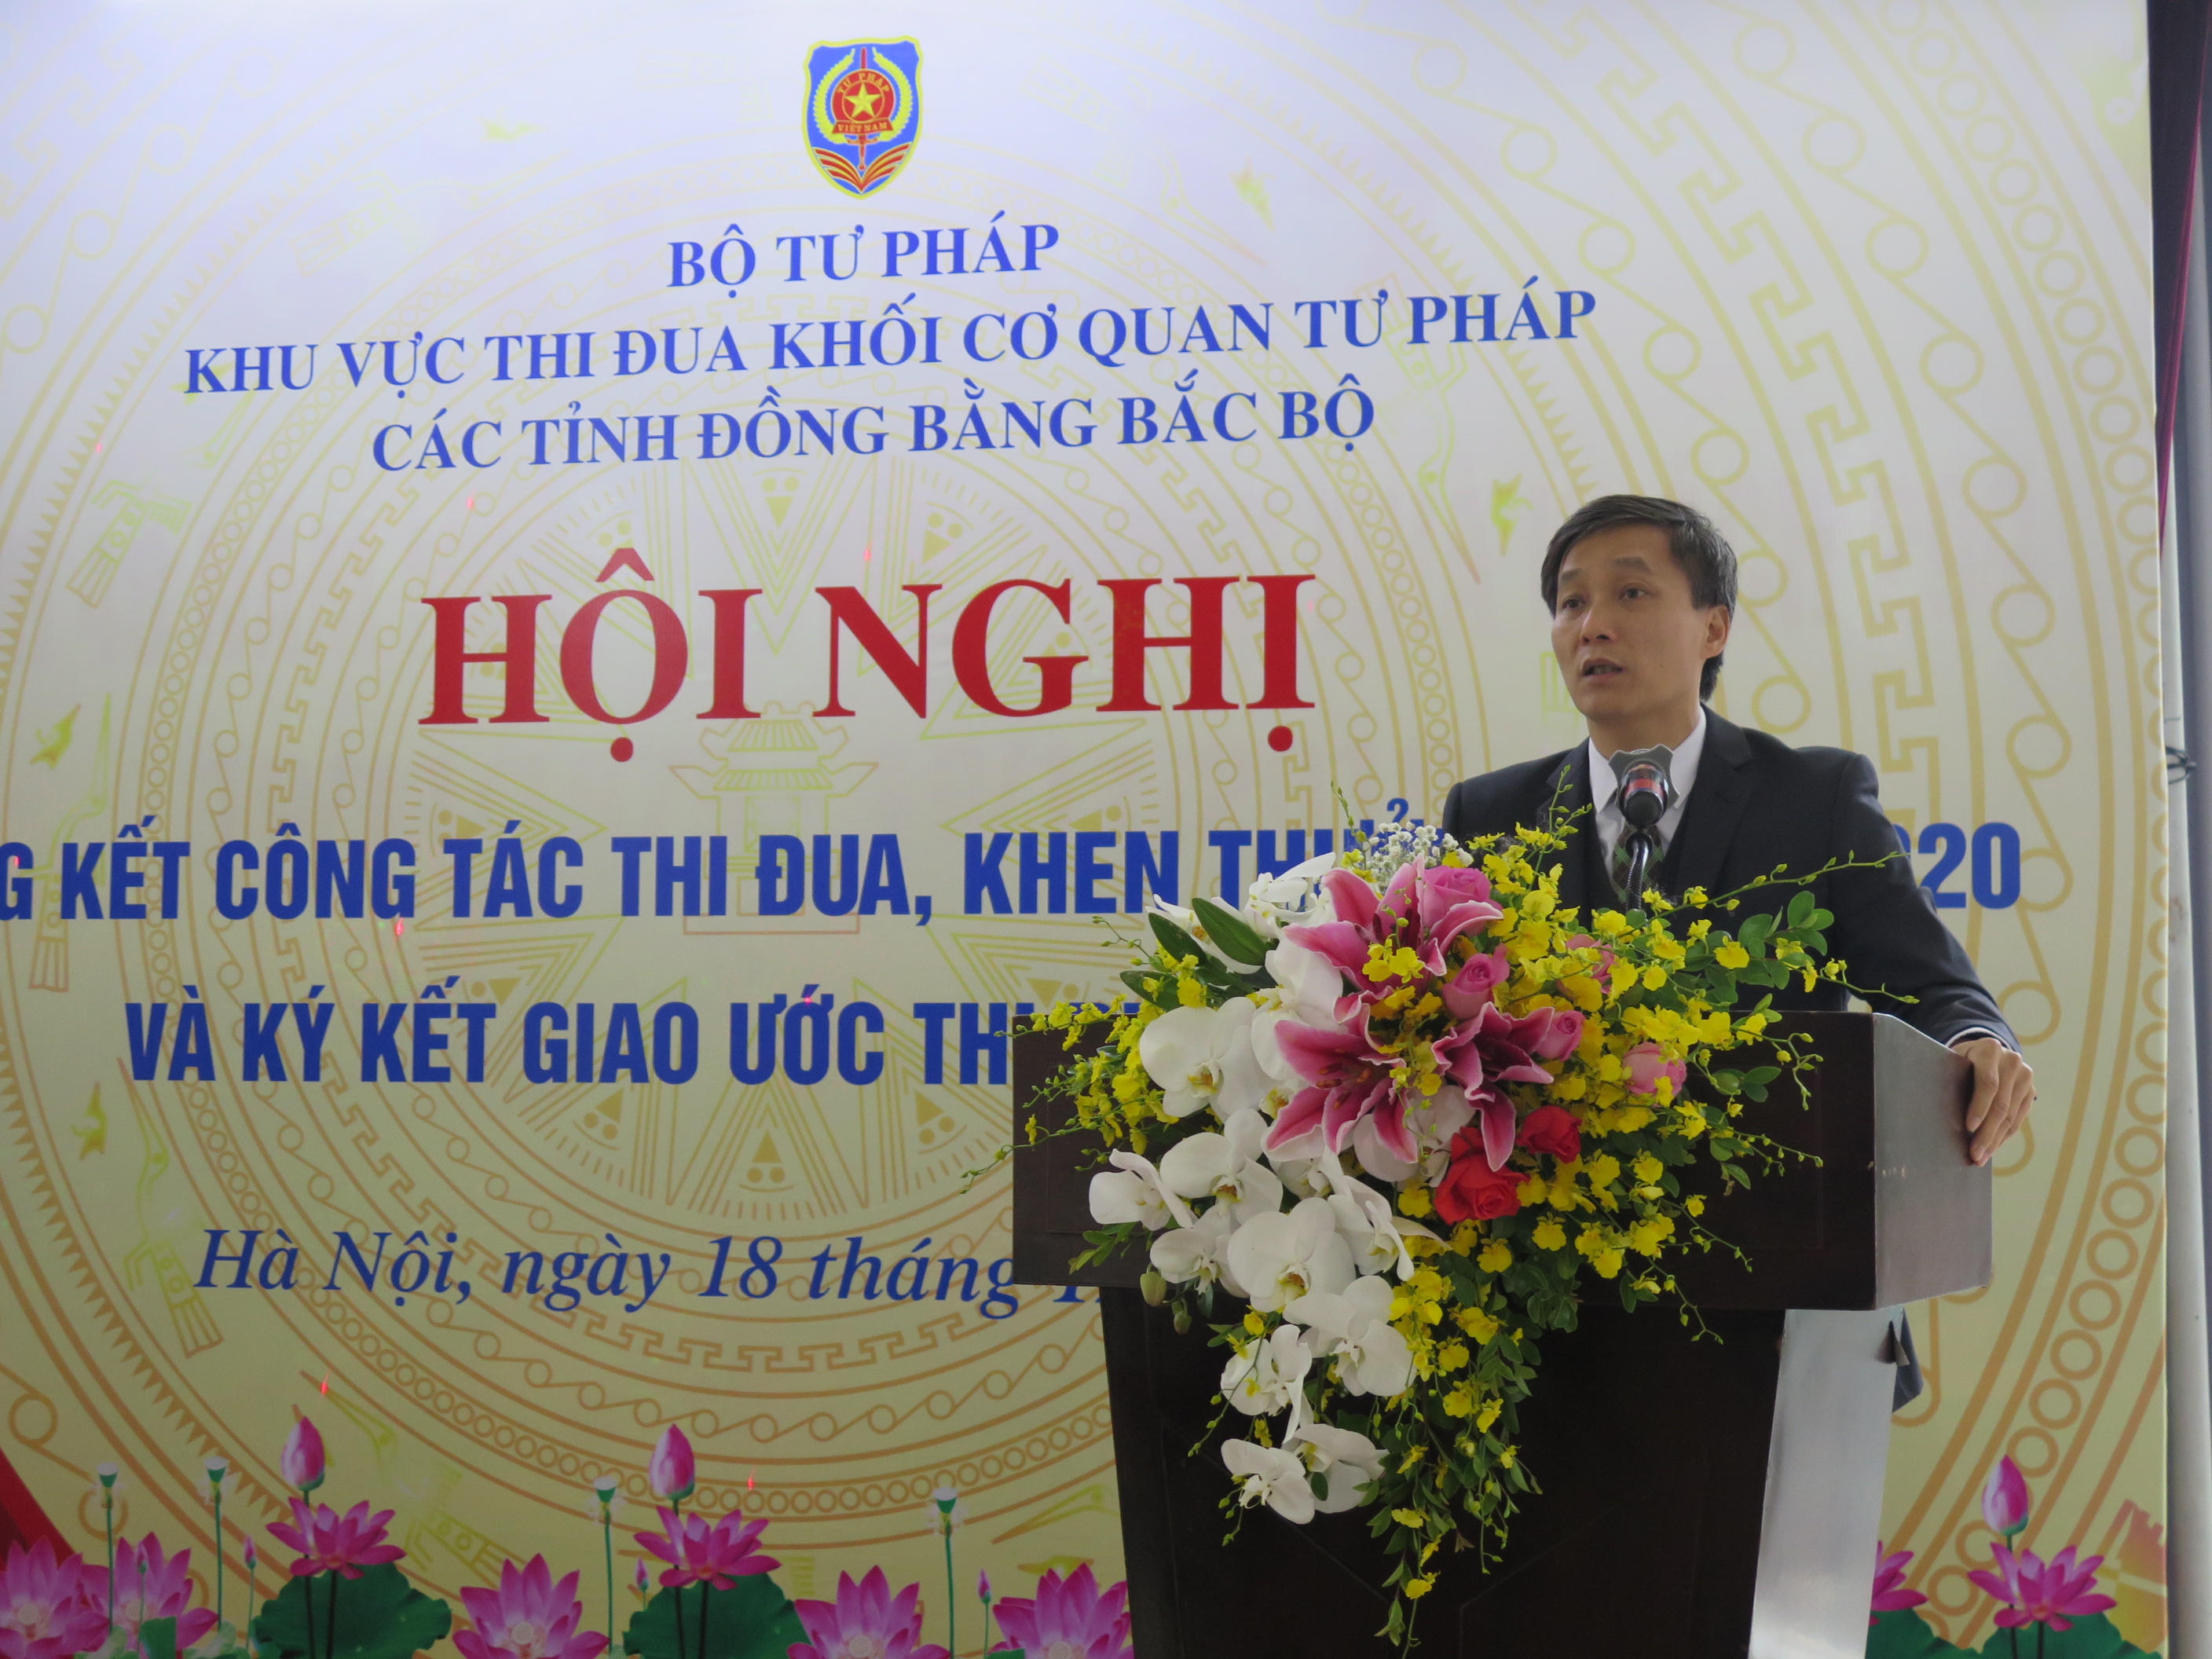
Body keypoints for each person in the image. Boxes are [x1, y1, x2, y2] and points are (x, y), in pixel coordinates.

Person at [1438, 493, 2034, 1166]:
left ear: (1714, 628)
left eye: (1631, 593)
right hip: (1546, 1204)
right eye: (1572, 603)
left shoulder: (1815, 801)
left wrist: (1977, 1040)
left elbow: (1933, 990)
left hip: (1773, 1200)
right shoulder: (1488, 816)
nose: (1593, 626)